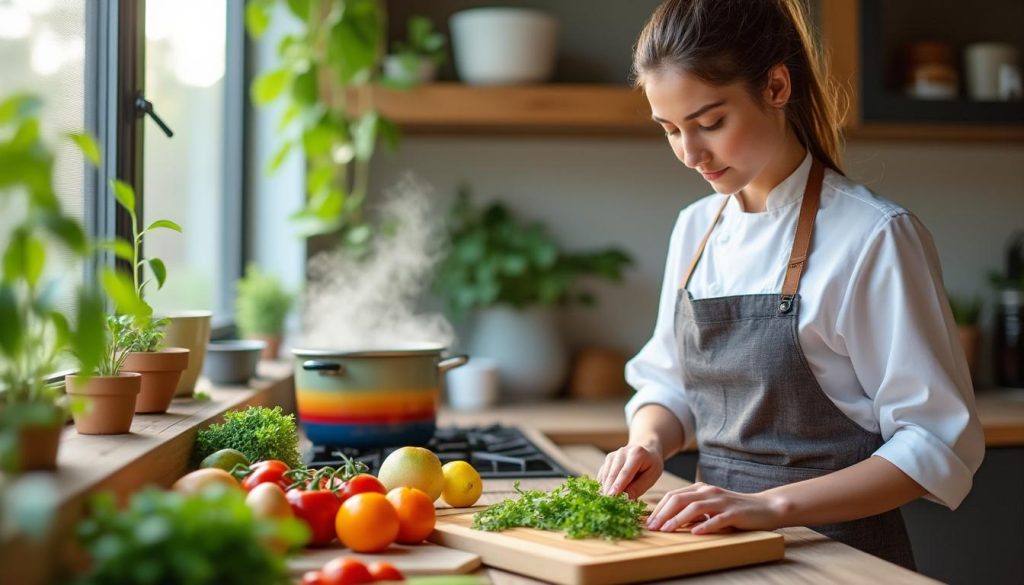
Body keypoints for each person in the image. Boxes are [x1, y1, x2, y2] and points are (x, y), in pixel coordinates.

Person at [596, 0, 984, 570]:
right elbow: (669, 384)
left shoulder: (874, 235)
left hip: (840, 559)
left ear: (776, 86)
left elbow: (935, 441)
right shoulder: (696, 228)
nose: (690, 154)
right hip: (715, 552)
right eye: (671, 130)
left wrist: (770, 506)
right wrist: (648, 442)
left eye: (710, 123)